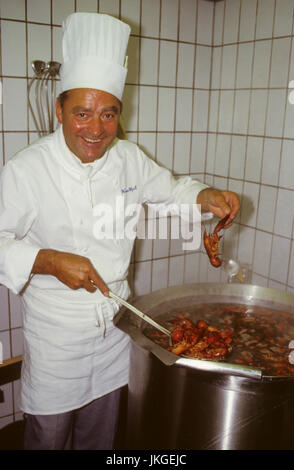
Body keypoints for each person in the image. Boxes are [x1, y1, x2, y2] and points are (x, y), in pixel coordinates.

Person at [0, 13, 240, 450]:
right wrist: (47, 260)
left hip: (115, 329)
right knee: (48, 441)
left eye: (108, 114)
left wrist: (206, 195)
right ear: (59, 109)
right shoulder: (26, 170)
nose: (96, 130)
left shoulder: (128, 157)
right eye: (83, 113)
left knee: (103, 439)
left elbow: (170, 189)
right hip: (57, 340)